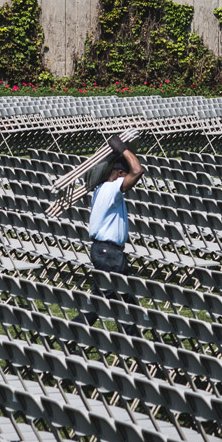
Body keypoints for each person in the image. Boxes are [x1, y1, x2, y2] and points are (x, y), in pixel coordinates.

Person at [77, 134, 145, 332]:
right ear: (120, 173)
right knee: (123, 303)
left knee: (110, 301)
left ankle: (73, 333)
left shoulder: (104, 190)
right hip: (109, 253)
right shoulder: (110, 188)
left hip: (106, 252)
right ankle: (134, 342)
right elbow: (138, 170)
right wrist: (122, 148)